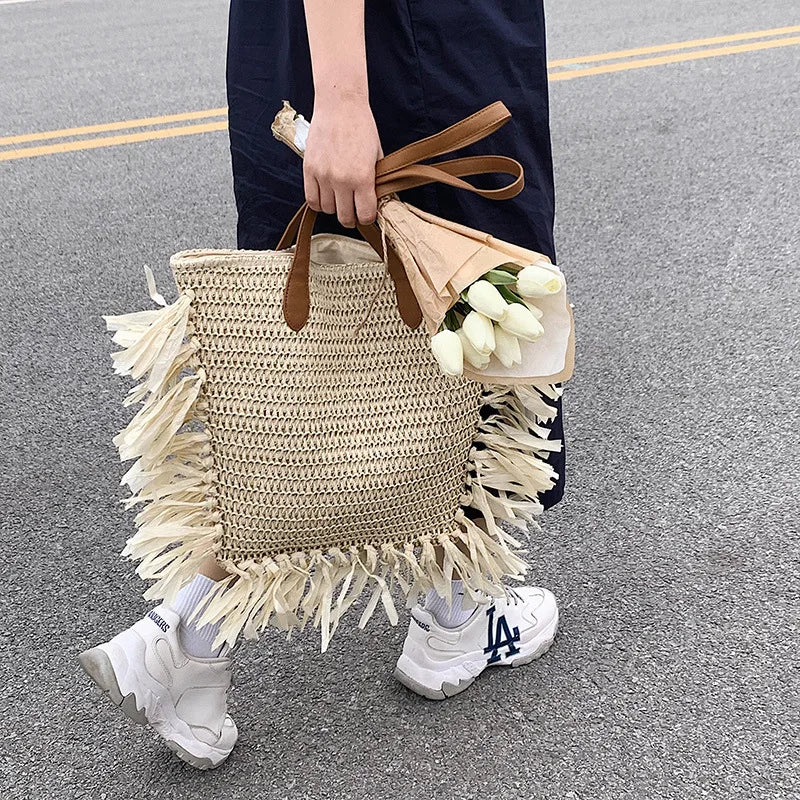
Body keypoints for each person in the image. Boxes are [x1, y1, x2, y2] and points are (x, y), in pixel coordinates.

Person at [78, 0, 565, 770]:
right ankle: (191, 635)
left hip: (314, 38)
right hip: (406, 41)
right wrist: (343, 96)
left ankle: (207, 650)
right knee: (473, 302)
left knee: (320, 351)